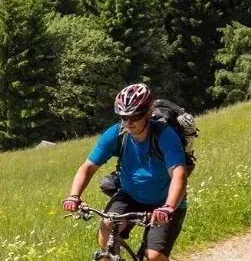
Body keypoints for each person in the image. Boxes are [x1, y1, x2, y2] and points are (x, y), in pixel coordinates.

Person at [59, 83, 189, 261]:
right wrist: (74, 195)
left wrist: (168, 207)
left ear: (148, 113)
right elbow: (87, 168)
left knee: (154, 256)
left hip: (165, 201)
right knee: (106, 228)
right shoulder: (117, 134)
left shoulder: (165, 136)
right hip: (130, 195)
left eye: (134, 117)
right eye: (123, 117)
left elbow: (179, 175)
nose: (128, 122)